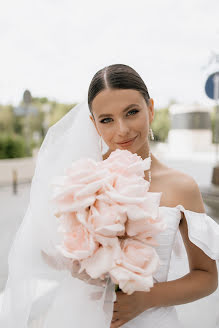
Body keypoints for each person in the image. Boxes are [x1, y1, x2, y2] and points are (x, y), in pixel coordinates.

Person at [0, 64, 218, 328]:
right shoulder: (80, 182)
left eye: (132, 112)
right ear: (93, 123)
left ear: (150, 108)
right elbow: (49, 254)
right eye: (107, 119)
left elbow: (207, 276)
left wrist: (145, 299)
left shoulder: (181, 186)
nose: (122, 129)